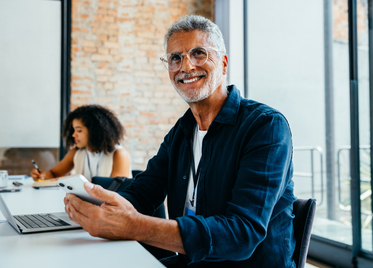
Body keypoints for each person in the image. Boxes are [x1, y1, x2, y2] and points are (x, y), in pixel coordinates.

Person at [64, 15, 296, 267]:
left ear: (224, 63)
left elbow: (242, 235)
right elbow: (144, 191)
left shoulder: (265, 126)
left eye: (198, 53)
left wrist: (134, 226)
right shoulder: (182, 130)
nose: (185, 67)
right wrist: (95, 207)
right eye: (175, 58)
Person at [31, 105, 131, 181]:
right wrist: (42, 176)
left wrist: (71, 181)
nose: (74, 135)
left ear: (94, 131)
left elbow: (116, 191)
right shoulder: (77, 152)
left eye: (79, 131)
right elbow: (53, 174)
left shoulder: (119, 155)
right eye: (73, 130)